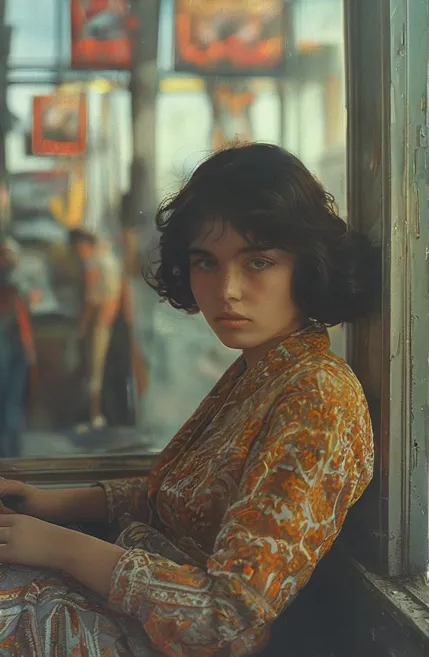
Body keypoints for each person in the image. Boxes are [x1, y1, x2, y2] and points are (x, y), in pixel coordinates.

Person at [0, 144, 377, 656]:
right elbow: (184, 498)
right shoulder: (262, 369)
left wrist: (60, 545)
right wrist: (49, 501)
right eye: (206, 262)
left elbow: (227, 621)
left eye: (258, 262)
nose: (227, 290)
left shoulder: (318, 398)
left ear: (306, 267)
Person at [69, 228, 124, 431]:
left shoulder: (95, 263)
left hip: (101, 323)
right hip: (109, 322)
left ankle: (94, 415)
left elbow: (92, 299)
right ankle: (97, 415)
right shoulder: (109, 259)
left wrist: (82, 327)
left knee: (94, 371)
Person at [0, 239, 37, 457]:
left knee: (12, 403)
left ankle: (12, 455)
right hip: (8, 345)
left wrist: (29, 348)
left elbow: (23, 318)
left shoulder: (16, 283)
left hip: (16, 347)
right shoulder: (12, 283)